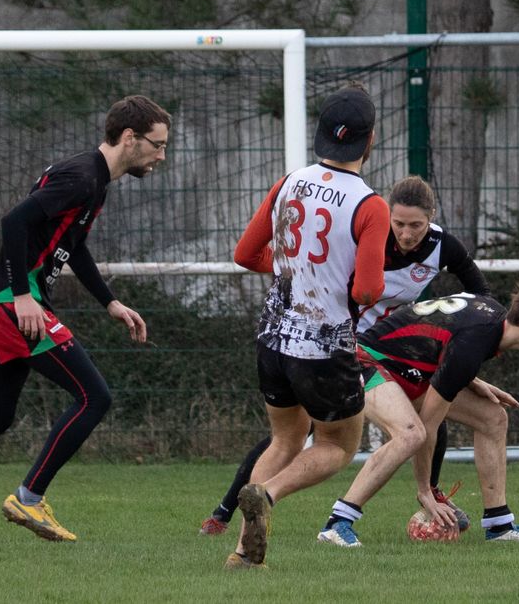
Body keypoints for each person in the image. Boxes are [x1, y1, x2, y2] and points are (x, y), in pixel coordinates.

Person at [0, 95, 171, 543]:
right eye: (157, 145)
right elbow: (14, 221)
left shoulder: (92, 177)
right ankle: (29, 497)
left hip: (0, 300)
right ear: (128, 138)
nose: (161, 155)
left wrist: (111, 303)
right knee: (94, 396)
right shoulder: (83, 177)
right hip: (12, 301)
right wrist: (24, 294)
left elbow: (71, 245)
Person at [200, 174, 489, 536]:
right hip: (344, 345)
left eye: (416, 224)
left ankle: (430, 494)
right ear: (387, 215)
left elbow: (481, 296)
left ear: (431, 216)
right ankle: (227, 512)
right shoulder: (369, 237)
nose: (407, 233)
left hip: (390, 351)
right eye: (398, 223)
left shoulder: (443, 246)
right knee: (293, 433)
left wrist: (464, 354)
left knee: (431, 410)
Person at [223, 84, 390, 569]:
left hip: (273, 336)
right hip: (322, 346)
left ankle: (243, 553)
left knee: (284, 439)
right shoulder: (370, 205)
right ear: (370, 140)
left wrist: (294, 272)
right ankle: (268, 495)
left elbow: (244, 254)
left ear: (321, 135)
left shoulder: (289, 182)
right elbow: (366, 291)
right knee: (338, 445)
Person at [317, 280, 519, 547]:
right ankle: (337, 523)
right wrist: (425, 491)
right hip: (359, 361)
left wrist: (471, 380)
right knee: (411, 434)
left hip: (402, 367)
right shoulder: (475, 341)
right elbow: (429, 423)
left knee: (493, 417)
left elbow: (444, 337)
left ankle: (499, 525)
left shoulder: (492, 319)